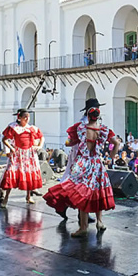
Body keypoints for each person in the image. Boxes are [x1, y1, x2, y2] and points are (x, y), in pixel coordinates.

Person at [43, 98, 119, 237]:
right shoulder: (103, 130)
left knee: (82, 193)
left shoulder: (81, 128)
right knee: (97, 192)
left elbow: (70, 142)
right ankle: (99, 222)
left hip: (83, 163)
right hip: (97, 163)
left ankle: (83, 227)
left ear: (88, 114)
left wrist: (68, 142)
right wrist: (111, 157)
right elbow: (116, 143)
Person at [0, 109, 44, 208]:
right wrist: (11, 148)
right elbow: (4, 139)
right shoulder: (13, 127)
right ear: (19, 118)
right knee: (11, 173)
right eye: (25, 117)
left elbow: (41, 137)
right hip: (18, 154)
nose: (27, 119)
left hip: (29, 154)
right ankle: (6, 197)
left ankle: (28, 196)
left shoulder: (31, 128)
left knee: (29, 174)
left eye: (28, 117)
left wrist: (39, 146)